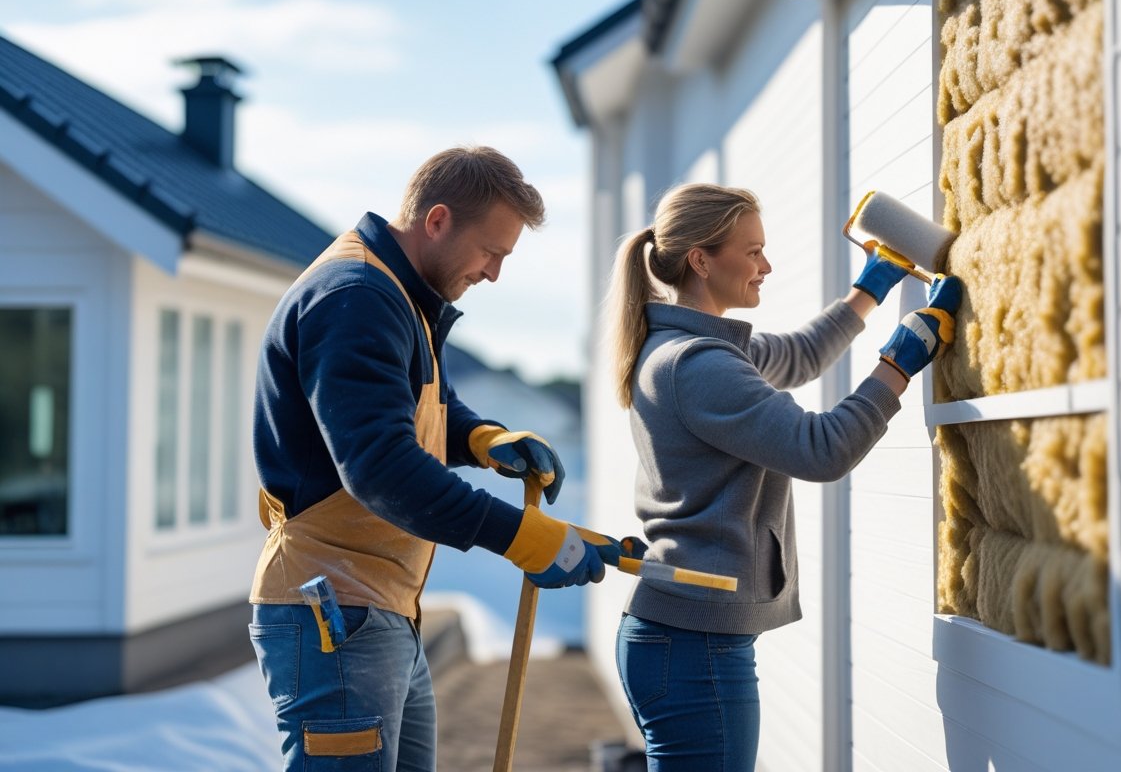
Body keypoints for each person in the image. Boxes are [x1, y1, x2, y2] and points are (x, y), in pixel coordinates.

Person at [248, 145, 628, 772]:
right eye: (492, 252)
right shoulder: (356, 296)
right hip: (334, 611)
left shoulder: (399, 293)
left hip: (380, 607)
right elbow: (379, 466)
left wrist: (485, 440)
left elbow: (426, 407)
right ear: (438, 221)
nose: (495, 274)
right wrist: (521, 537)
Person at [607, 183, 962, 771]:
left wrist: (869, 290)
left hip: (680, 635)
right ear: (701, 259)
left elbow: (797, 355)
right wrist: (898, 364)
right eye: (752, 252)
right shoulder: (697, 364)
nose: (766, 266)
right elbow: (821, 450)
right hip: (694, 643)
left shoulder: (689, 346)